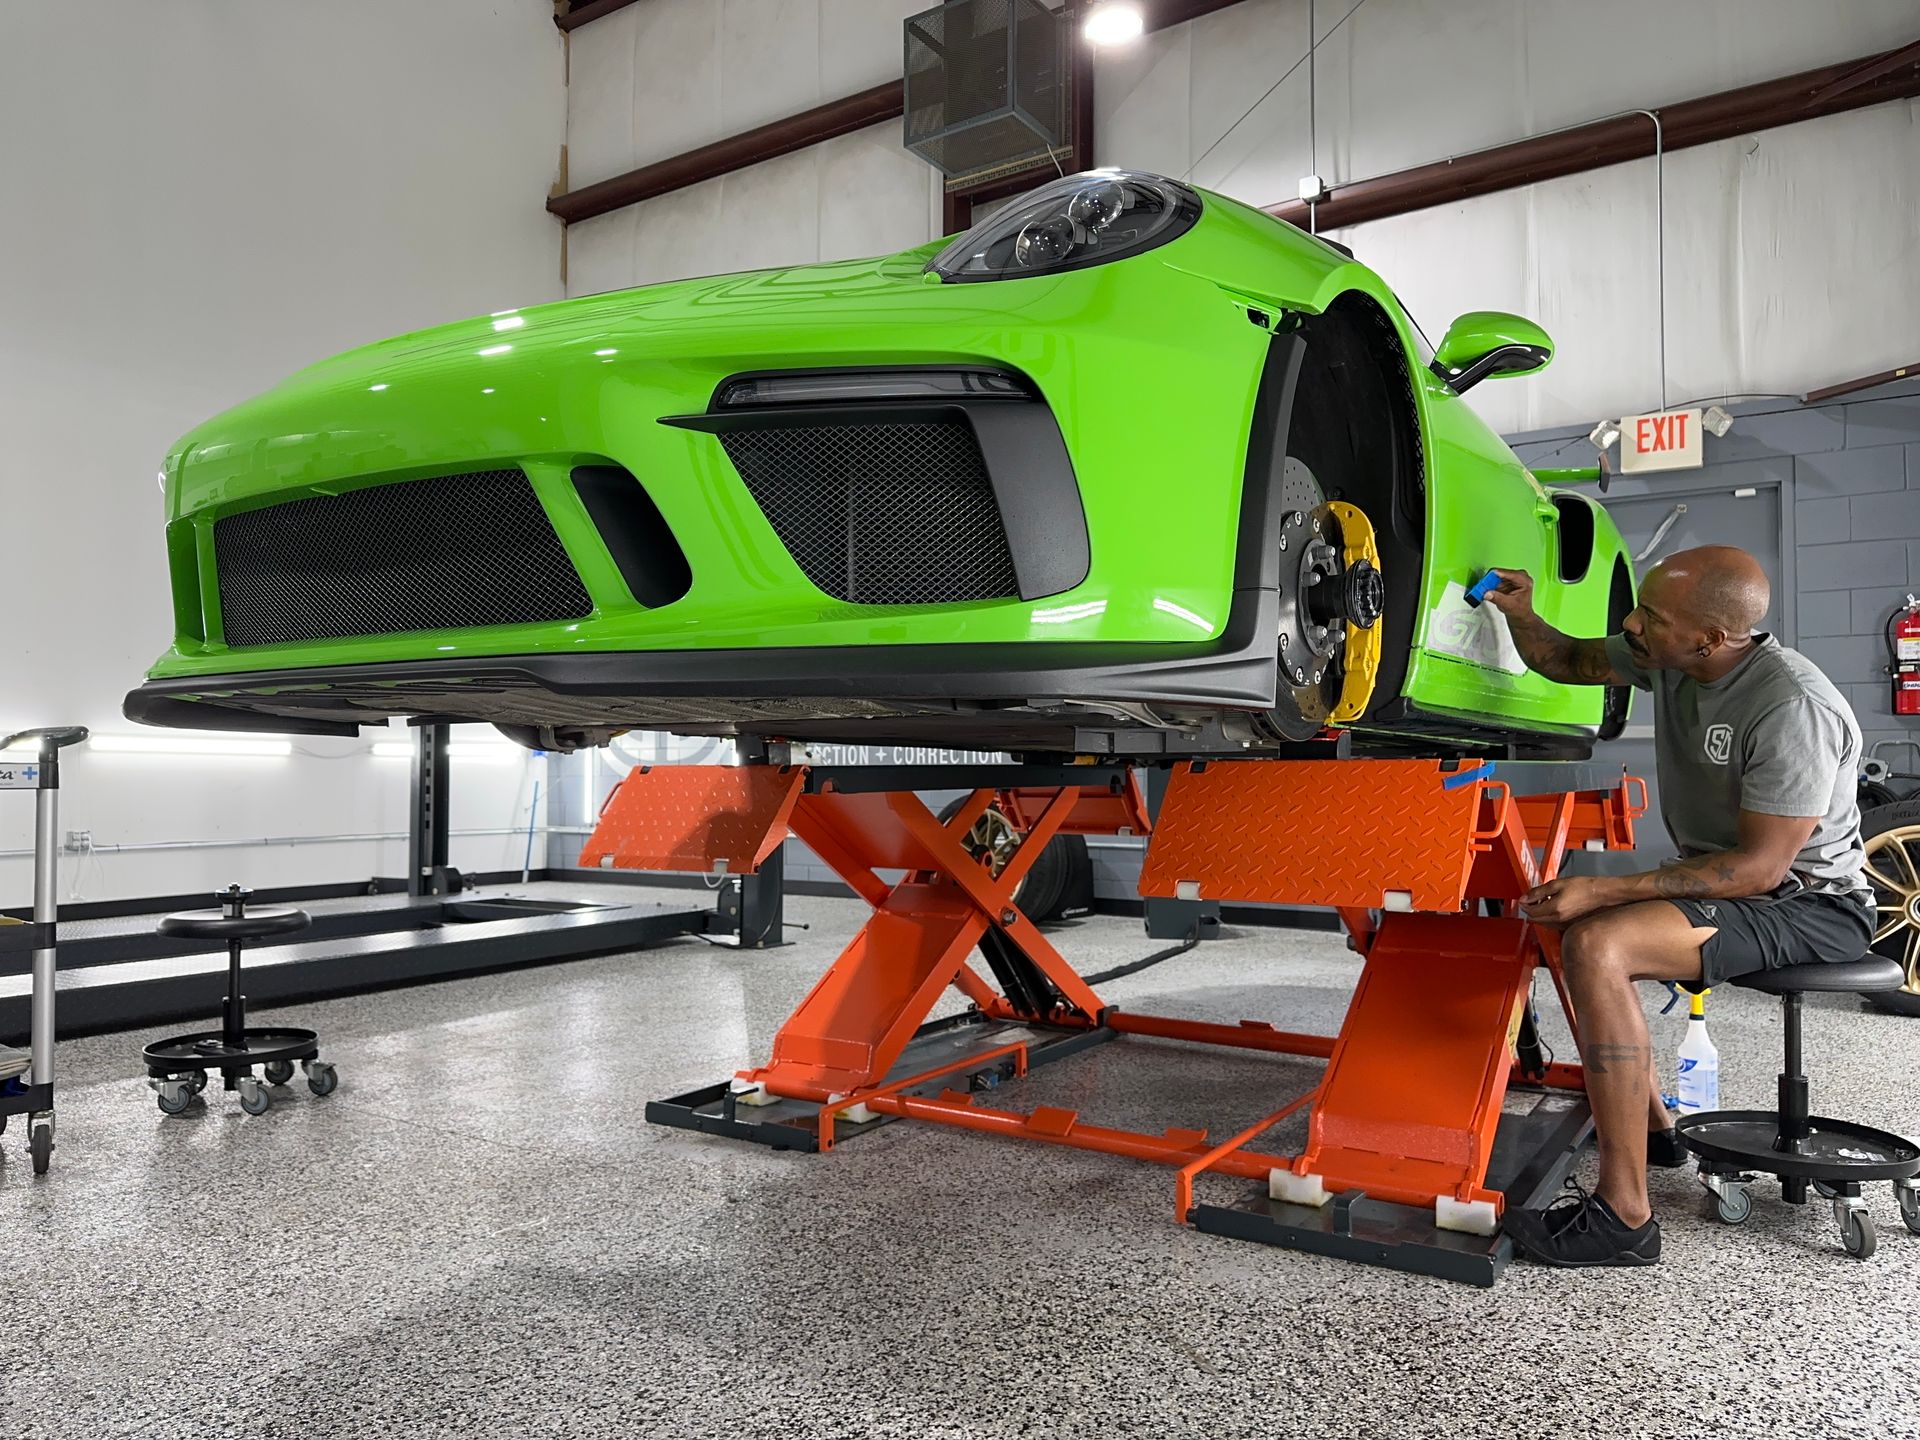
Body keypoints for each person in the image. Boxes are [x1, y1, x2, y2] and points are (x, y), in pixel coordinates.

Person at [1483, 545, 1873, 1267]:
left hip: (1811, 903)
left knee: (1600, 943)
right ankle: (1656, 1127)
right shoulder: (1670, 655)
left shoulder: (1791, 707)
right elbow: (1567, 660)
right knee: (1570, 926)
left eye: (1650, 616)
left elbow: (1759, 869)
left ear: (1710, 638)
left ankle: (1625, 1218)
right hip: (1741, 884)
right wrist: (1520, 611)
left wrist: (1605, 887)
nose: (1631, 622)